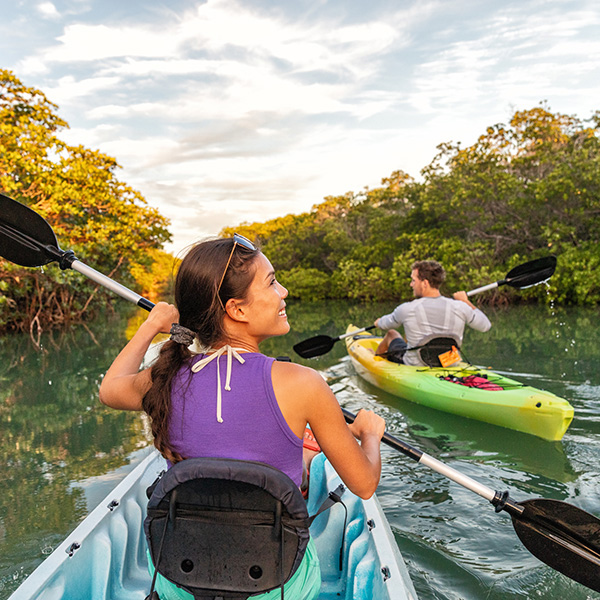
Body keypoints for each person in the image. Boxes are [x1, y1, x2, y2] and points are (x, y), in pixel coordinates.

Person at [99, 234, 386, 600]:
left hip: (182, 582)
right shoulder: (304, 383)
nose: (283, 292)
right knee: (306, 463)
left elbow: (110, 389)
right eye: (271, 282)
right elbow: (363, 485)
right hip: (276, 587)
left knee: (298, 456)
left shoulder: (165, 376)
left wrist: (152, 325)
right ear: (237, 309)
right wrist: (370, 434)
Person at [374, 260, 491, 366]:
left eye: (413, 280)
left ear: (425, 283)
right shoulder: (460, 306)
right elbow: (485, 326)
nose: (411, 284)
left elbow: (385, 324)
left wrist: (378, 322)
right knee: (407, 336)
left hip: (416, 364)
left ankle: (374, 360)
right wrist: (466, 301)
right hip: (450, 363)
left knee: (392, 334)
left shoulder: (407, 309)